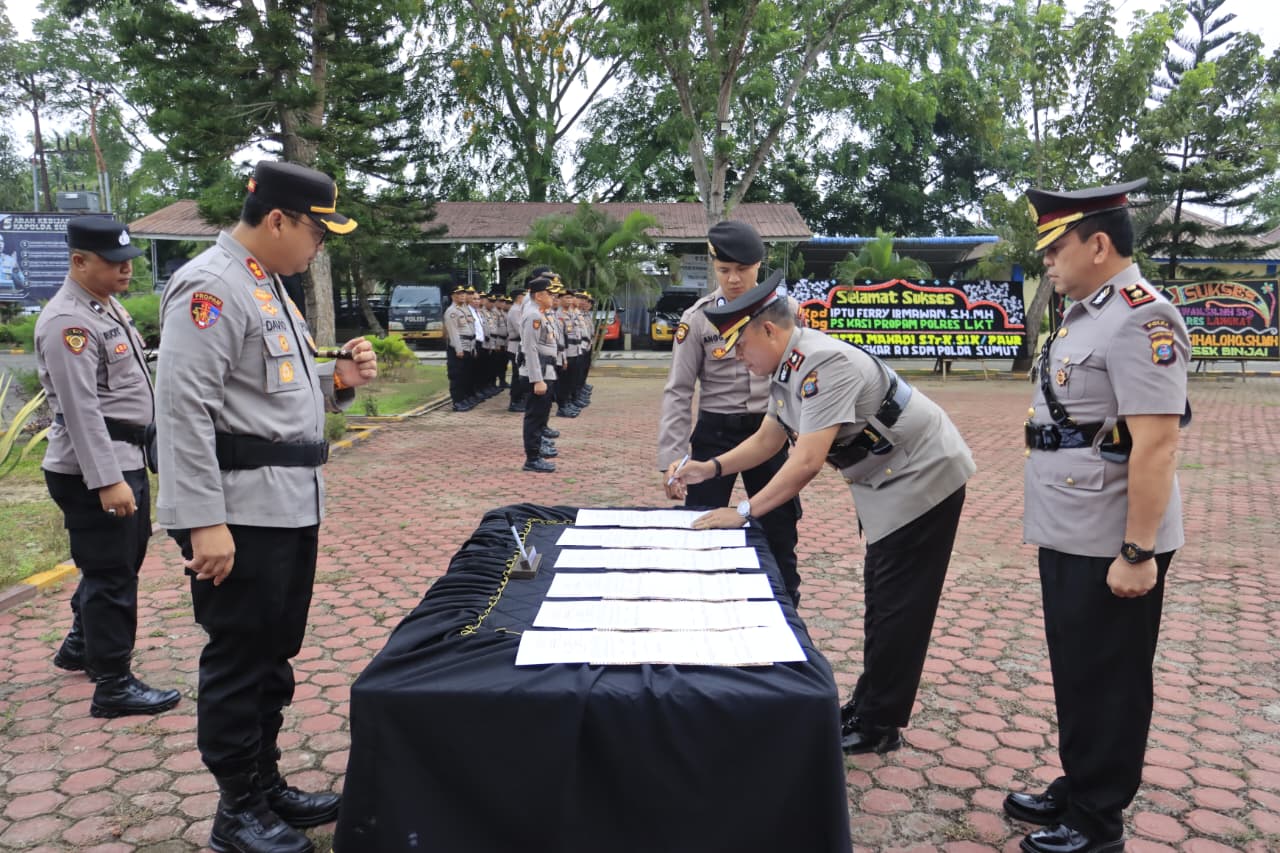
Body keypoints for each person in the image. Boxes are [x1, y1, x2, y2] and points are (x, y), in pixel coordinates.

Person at [154, 160, 378, 853]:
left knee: (275, 655)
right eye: (317, 230)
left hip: (286, 506)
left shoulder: (265, 285)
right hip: (239, 513)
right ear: (277, 219)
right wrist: (201, 520)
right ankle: (236, 810)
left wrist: (336, 383)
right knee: (239, 658)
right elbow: (183, 410)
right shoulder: (211, 287)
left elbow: (273, 395)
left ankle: (265, 780)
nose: (321, 245)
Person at [670, 271, 975, 755]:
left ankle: (880, 724)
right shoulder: (786, 368)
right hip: (886, 479)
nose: (738, 359)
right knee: (883, 597)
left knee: (899, 605)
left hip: (922, 477)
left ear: (769, 331)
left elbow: (806, 460)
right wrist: (711, 468)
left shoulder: (822, 364)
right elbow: (770, 438)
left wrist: (744, 510)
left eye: (741, 347)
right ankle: (870, 704)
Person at [1004, 179, 1190, 853]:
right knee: (1078, 668)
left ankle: (1098, 821)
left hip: (1115, 537)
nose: (1048, 260)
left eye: (1056, 246)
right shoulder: (1087, 312)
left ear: (1099, 244)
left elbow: (1158, 442)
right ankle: (1080, 783)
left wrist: (1138, 552)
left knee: (1109, 679)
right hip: (1073, 526)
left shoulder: (1144, 316)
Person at [35, 216, 181, 719]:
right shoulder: (68, 323)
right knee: (112, 575)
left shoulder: (105, 307)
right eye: (115, 263)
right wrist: (108, 481)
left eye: (128, 262)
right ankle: (113, 684)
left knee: (117, 565)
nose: (126, 271)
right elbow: (80, 411)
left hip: (123, 458)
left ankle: (81, 643)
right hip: (94, 469)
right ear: (79, 262)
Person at [657, 220, 803, 604]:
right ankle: (701, 606)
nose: (733, 279)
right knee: (703, 527)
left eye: (742, 269)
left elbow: (800, 377)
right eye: (724, 270)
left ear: (759, 265)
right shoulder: (698, 318)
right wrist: (673, 457)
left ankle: (786, 608)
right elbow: (678, 390)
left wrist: (803, 429)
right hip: (714, 434)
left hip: (768, 435)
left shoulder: (787, 312)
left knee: (779, 529)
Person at [519, 275, 559, 472]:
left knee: (541, 414)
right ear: (540, 295)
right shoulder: (533, 315)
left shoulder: (541, 313)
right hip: (539, 372)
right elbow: (530, 348)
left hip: (547, 370)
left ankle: (536, 453)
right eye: (550, 294)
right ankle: (532, 458)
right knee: (534, 417)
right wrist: (537, 379)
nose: (553, 297)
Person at [443, 286, 474, 411]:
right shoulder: (452, 311)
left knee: (465, 375)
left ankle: (463, 398)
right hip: (458, 347)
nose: (462, 296)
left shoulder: (464, 309)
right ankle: (457, 401)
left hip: (468, 346)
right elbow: (453, 332)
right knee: (457, 375)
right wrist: (458, 349)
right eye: (459, 294)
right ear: (453, 296)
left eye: (463, 294)